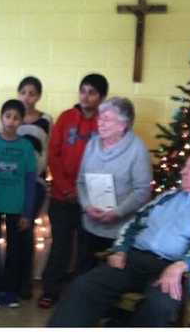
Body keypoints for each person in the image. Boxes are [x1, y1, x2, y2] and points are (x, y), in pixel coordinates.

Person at [49, 151, 190, 327]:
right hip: (134, 260)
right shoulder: (168, 197)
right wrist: (120, 248)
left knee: (157, 305)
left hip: (173, 271)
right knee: (84, 286)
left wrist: (182, 265)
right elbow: (134, 223)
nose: (183, 171)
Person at [38, 73, 109, 309]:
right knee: (60, 246)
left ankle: (79, 295)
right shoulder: (66, 118)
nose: (86, 96)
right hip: (62, 195)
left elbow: (106, 160)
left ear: (102, 97)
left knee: (86, 249)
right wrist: (67, 188)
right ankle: (50, 290)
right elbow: (54, 154)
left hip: (90, 199)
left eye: (92, 92)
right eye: (83, 90)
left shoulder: (106, 122)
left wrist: (85, 194)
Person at [76, 97, 152, 272]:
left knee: (106, 281)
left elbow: (143, 191)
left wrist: (117, 213)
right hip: (89, 224)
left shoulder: (137, 150)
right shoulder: (92, 144)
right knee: (83, 275)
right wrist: (87, 206)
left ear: (123, 124)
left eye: (107, 119)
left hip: (118, 232)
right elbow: (80, 181)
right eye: (100, 118)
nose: (100, 123)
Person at [0, 99, 37, 309]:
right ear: (1, 117)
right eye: (8, 116)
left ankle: (10, 291)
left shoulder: (26, 147)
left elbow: (30, 182)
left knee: (15, 251)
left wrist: (27, 213)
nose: (11, 122)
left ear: (21, 121)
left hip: (16, 206)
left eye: (16, 118)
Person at [15, 75, 52, 299]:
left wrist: (34, 174)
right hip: (12, 184)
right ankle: (11, 279)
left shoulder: (46, 119)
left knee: (26, 229)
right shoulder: (12, 116)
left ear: (38, 96)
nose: (27, 97)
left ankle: (25, 282)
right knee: (13, 232)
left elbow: (46, 151)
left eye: (32, 93)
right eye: (24, 92)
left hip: (34, 183)